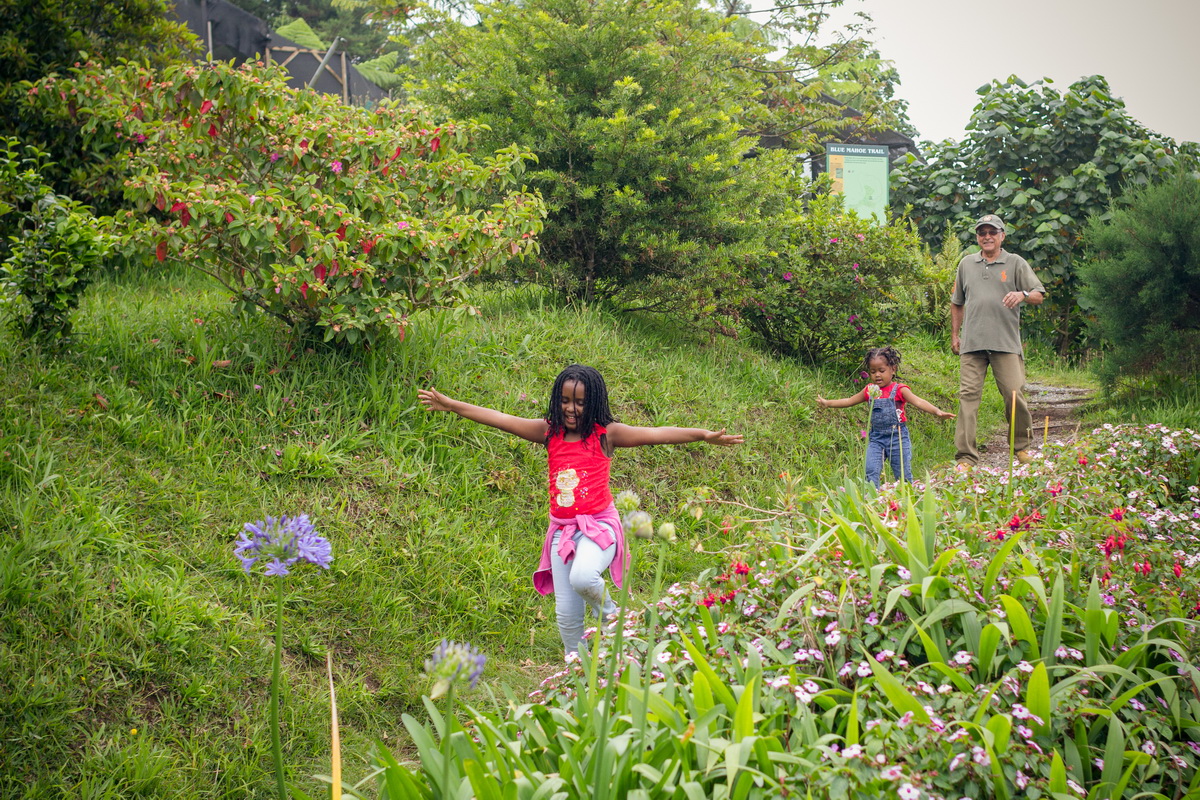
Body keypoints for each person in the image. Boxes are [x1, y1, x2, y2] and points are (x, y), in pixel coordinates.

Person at [418, 364, 742, 654]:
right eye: (565, 400)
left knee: (584, 577)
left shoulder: (606, 435)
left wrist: (702, 435)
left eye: (580, 402)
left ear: (594, 403)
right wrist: (453, 406)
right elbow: (501, 419)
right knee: (566, 617)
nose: (571, 409)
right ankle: (578, 674)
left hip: (599, 528)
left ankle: (616, 620)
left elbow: (656, 434)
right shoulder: (549, 432)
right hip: (562, 532)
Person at [950, 214, 1045, 470]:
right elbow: (957, 302)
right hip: (972, 345)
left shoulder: (1015, 263)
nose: (987, 237)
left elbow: (1038, 295)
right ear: (977, 237)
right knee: (968, 399)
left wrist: (1022, 294)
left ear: (1002, 236)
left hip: (1005, 344)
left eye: (993, 232)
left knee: (1015, 395)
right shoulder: (966, 264)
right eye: (982, 233)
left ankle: (1022, 448)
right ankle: (965, 458)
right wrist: (955, 335)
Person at [816, 346, 955, 487]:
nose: (877, 375)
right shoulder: (869, 390)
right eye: (873, 371)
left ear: (893, 369)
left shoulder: (900, 389)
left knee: (902, 475)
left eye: (881, 371)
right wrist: (828, 403)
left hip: (898, 438)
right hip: (876, 438)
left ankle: (907, 497)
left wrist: (937, 412)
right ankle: (872, 498)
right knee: (870, 471)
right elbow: (849, 401)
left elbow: (918, 401)